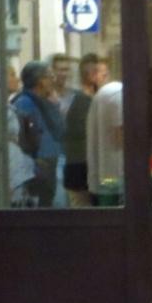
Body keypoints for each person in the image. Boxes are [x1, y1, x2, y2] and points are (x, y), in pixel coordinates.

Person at [12, 61, 65, 207]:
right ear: (40, 81)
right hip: (37, 167)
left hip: (49, 164)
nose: (53, 80)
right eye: (49, 76)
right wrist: (34, 161)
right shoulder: (25, 103)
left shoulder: (45, 102)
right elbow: (21, 138)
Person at [63, 55, 107, 207]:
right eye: (103, 74)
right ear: (91, 75)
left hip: (88, 166)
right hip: (81, 168)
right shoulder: (82, 101)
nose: (105, 78)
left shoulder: (91, 99)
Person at [86, 81, 124, 205]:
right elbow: (121, 137)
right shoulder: (118, 93)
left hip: (103, 172)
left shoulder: (109, 92)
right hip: (115, 173)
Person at [4, 65, 37, 207]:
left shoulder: (9, 106)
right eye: (11, 75)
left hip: (19, 171)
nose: (16, 79)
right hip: (10, 172)